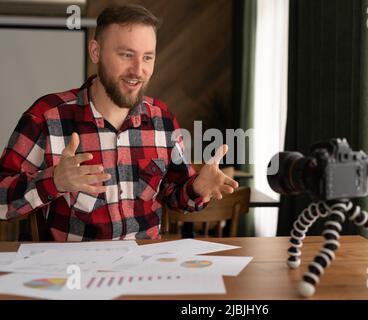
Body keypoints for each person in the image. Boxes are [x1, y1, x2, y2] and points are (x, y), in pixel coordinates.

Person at [0, 4, 238, 241]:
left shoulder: (162, 119)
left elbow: (174, 195)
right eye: (126, 55)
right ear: (95, 52)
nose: (138, 70)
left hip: (146, 270)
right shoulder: (46, 116)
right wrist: (55, 181)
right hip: (74, 272)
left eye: (147, 57)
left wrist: (197, 188)